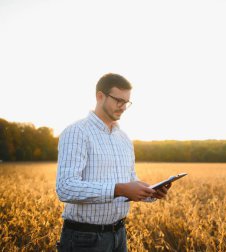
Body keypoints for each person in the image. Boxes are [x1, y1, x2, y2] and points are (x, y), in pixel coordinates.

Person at [56, 73, 170, 252]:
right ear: (99, 96)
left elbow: (131, 179)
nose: (123, 107)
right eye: (118, 100)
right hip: (84, 239)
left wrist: (151, 192)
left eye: (127, 102)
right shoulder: (76, 132)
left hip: (119, 234)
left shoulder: (124, 138)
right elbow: (66, 187)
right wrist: (120, 189)